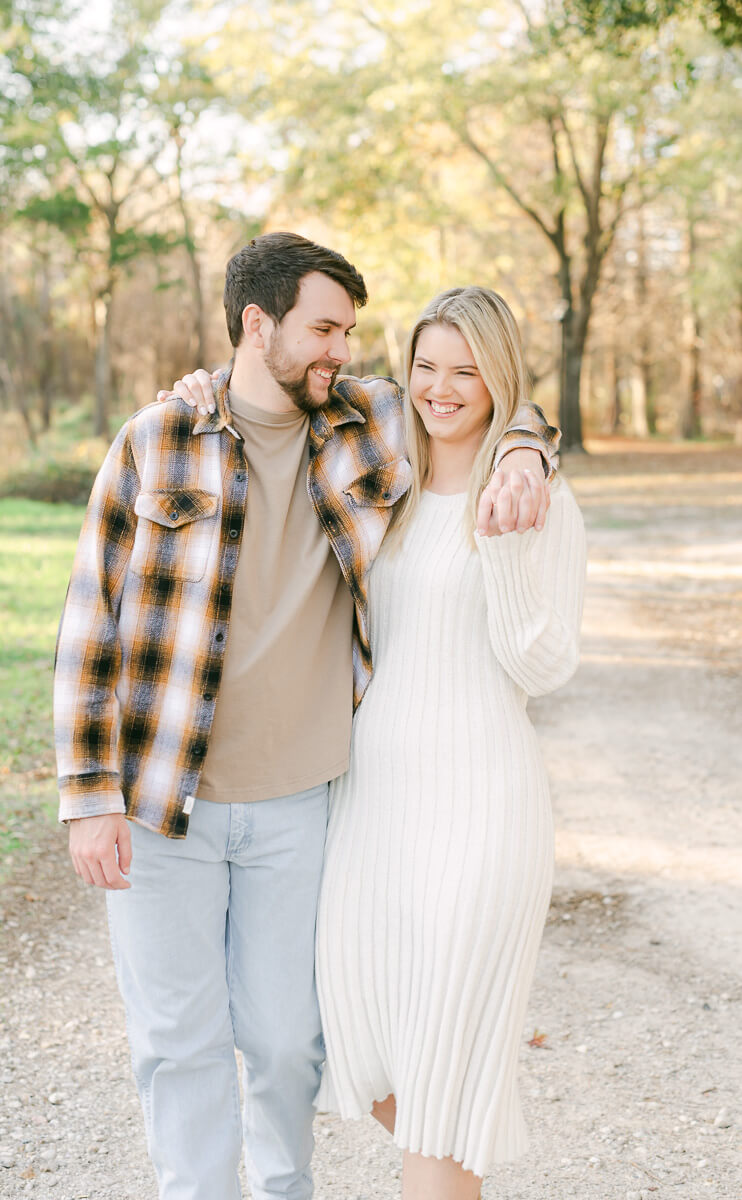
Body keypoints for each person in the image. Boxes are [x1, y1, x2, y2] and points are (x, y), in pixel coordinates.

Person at [53, 233, 558, 1200]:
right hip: (166, 806)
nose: (342, 349)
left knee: (290, 1044)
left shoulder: (363, 422)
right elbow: (89, 624)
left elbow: (483, 392)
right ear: (258, 323)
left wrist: (531, 446)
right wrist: (88, 796)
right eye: (324, 328)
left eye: (350, 332)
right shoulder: (155, 440)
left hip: (300, 808)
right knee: (179, 1043)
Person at [314, 287, 587, 1199]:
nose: (442, 387)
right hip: (375, 812)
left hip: (482, 815)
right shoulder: (380, 474)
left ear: (499, 376)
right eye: (427, 366)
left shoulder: (534, 497)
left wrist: (506, 547)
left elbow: (544, 667)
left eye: (467, 370)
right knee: (362, 1045)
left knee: (443, 1076)